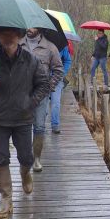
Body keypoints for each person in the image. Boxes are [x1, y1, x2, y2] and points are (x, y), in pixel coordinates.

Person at [0, 26, 50, 219]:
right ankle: (6, 198)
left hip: (22, 118)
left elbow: (44, 84)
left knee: (26, 156)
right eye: (3, 33)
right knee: (0, 157)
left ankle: (25, 174)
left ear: (19, 36)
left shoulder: (30, 60)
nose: (7, 37)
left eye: (11, 33)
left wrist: (30, 102)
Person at [20, 28, 64, 172]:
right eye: (28, 25)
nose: (29, 28)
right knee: (22, 127)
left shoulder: (50, 47)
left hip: (41, 95)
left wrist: (48, 86)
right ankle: (25, 159)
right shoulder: (18, 45)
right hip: (21, 94)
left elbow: (59, 70)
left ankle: (37, 159)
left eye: (33, 25)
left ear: (39, 27)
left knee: (39, 126)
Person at [50, 45, 72, 134]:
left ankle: (55, 125)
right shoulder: (40, 42)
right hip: (42, 78)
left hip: (57, 78)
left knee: (56, 103)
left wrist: (62, 73)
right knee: (42, 104)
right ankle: (39, 127)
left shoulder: (62, 45)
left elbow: (68, 60)